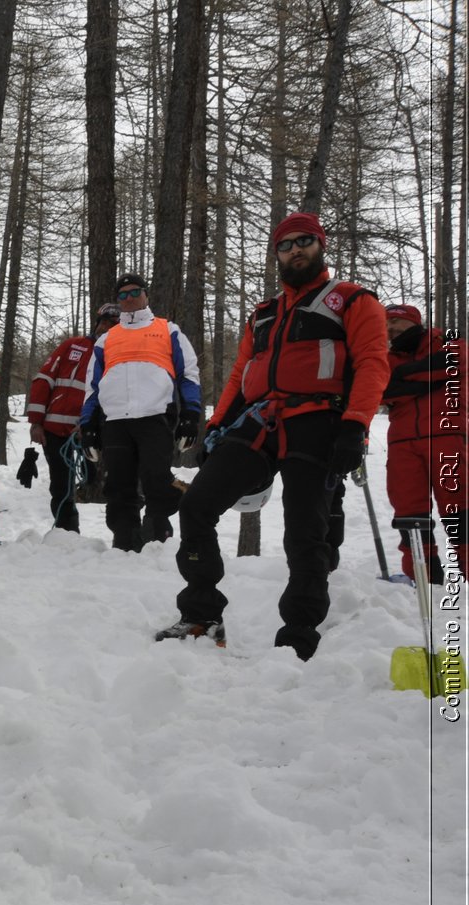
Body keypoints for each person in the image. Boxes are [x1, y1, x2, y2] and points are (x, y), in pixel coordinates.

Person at [158, 212, 386, 658]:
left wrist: (356, 425)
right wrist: (216, 426)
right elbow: (241, 374)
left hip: (320, 420)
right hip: (259, 421)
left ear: (320, 246)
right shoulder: (263, 314)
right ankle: (201, 613)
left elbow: (374, 362)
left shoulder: (353, 300)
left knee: (305, 531)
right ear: (276, 254)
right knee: (198, 505)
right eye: (285, 244)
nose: (295, 249)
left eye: (304, 241)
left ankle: (299, 634)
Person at [78, 273, 201, 551]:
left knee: (156, 477)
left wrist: (191, 416)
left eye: (135, 292)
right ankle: (124, 541)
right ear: (117, 302)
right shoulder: (106, 340)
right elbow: (92, 388)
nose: (129, 298)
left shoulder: (168, 330)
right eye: (122, 295)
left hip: (155, 415)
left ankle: (157, 537)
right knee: (119, 484)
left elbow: (189, 375)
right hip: (116, 421)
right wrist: (88, 427)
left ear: (145, 294)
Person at [382, 303, 466, 584]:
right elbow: (381, 388)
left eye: (397, 322)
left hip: (448, 437)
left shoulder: (447, 340)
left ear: (415, 322)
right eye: (388, 323)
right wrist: (429, 379)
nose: (391, 328)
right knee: (409, 517)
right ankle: (425, 580)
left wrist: (403, 379)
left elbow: (454, 362)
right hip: (403, 443)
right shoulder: (388, 357)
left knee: (460, 512)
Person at [25, 304, 118, 531]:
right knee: (61, 485)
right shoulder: (72, 345)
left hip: (90, 432)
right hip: (54, 430)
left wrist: (91, 426)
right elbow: (43, 379)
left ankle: (122, 537)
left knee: (99, 480)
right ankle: (66, 532)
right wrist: (36, 421)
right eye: (104, 323)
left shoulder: (116, 354)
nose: (105, 329)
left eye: (112, 325)